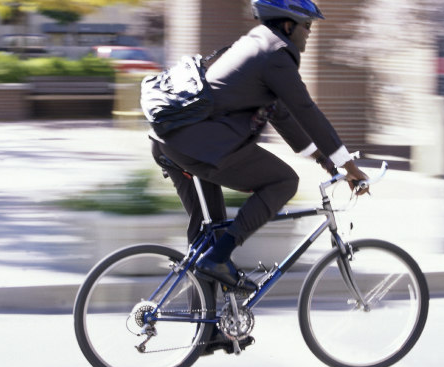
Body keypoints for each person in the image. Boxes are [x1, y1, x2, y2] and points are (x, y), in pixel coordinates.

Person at [151, 0, 369, 294]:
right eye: (307, 25)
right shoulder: (276, 55)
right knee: (284, 181)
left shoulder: (254, 44)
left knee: (208, 237)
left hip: (174, 142)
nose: (310, 32)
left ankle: (208, 332)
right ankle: (217, 260)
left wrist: (322, 159)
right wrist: (349, 166)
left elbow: (281, 113)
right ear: (288, 25)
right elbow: (306, 110)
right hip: (198, 147)